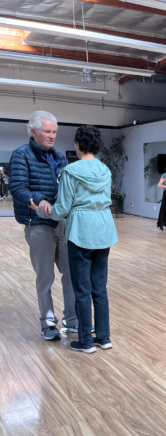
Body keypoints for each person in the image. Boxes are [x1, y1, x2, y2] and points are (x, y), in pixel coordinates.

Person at [31, 125, 118, 353]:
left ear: (78, 145)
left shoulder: (70, 172)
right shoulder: (105, 170)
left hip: (81, 232)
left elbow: (61, 210)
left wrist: (39, 210)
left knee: (81, 288)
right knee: (100, 288)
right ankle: (103, 337)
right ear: (97, 147)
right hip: (104, 230)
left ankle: (86, 342)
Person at [9, 111, 77, 340]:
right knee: (45, 276)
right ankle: (48, 323)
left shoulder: (60, 157)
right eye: (47, 131)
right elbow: (18, 189)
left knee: (71, 273)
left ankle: (73, 319)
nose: (52, 136)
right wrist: (39, 201)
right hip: (38, 224)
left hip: (63, 224)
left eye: (54, 131)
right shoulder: (21, 155)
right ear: (33, 131)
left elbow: (67, 189)